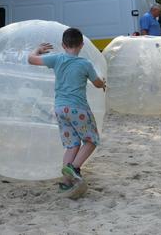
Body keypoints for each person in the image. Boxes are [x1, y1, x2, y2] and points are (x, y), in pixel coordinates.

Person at [28, 28, 106, 196]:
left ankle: (65, 182)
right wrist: (103, 83)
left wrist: (38, 50)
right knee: (91, 140)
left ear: (63, 45)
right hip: (78, 109)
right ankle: (74, 168)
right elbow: (98, 83)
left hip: (60, 109)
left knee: (72, 145)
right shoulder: (85, 64)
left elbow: (31, 59)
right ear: (82, 45)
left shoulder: (57, 59)